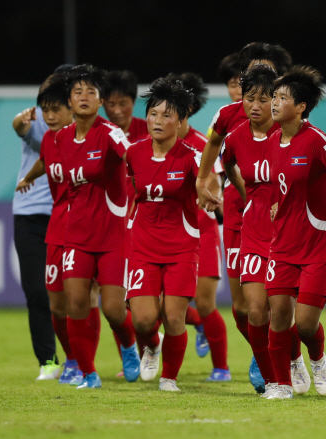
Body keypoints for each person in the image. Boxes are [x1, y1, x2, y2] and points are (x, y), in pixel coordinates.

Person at [196, 43, 297, 390]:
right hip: (242, 216)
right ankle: (262, 351)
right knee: (243, 307)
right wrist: (206, 181)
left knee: (275, 302)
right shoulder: (227, 116)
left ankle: (281, 359)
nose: (257, 94)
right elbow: (216, 151)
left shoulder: (289, 119)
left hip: (279, 218)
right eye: (251, 75)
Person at [263, 66, 326, 399]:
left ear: (301, 106)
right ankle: (282, 382)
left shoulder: (319, 140)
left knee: (304, 323)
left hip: (317, 245)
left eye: (282, 97)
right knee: (277, 316)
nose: (274, 103)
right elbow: (282, 184)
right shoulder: (273, 141)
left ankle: (317, 359)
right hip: (283, 243)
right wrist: (277, 204)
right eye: (274, 96)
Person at [56, 64, 139, 389]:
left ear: (100, 98)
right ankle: (89, 375)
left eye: (91, 91)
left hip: (112, 236)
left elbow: (133, 157)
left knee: (114, 309)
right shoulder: (60, 138)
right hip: (75, 234)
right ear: (70, 100)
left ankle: (129, 345)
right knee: (75, 305)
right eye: (78, 92)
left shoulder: (110, 133)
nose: (85, 97)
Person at [125, 77, 201, 391]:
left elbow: (206, 184)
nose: (158, 121)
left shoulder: (191, 156)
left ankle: (169, 378)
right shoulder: (134, 153)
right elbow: (132, 193)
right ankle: (151, 347)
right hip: (142, 245)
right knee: (143, 320)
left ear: (182, 121)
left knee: (173, 318)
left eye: (167, 115)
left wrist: (209, 193)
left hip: (181, 248)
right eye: (153, 114)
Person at [15, 72, 86, 384]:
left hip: (73, 217)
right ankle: (49, 360)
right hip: (31, 216)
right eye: (45, 107)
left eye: (56, 106)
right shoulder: (44, 127)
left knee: (84, 297)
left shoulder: (88, 131)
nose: (51, 114)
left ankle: (90, 357)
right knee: (37, 293)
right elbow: (22, 129)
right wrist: (20, 122)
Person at [220, 64, 282, 396]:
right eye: (249, 98)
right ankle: (271, 376)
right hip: (253, 229)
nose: (254, 105)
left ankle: (304, 359)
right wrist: (248, 196)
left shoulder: (292, 133)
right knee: (252, 309)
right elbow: (224, 159)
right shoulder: (233, 135)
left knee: (291, 314)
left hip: (289, 232)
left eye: (262, 99)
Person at [170, 71, 227, 380]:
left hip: (201, 231)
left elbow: (215, 184)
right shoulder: (151, 146)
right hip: (166, 235)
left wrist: (207, 199)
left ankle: (221, 368)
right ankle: (199, 326)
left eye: (172, 112)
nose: (166, 118)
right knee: (162, 304)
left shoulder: (203, 144)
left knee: (205, 302)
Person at [102, 69, 149, 377]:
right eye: (110, 103)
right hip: (110, 227)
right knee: (115, 303)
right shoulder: (98, 132)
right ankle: (135, 356)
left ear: (134, 101)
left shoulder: (151, 129)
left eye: (124, 103)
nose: (117, 111)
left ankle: (150, 353)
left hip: (148, 226)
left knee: (141, 299)